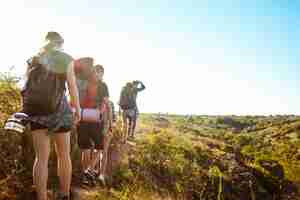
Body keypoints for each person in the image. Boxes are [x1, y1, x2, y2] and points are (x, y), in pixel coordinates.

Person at [22, 32, 81, 200]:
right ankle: (64, 195)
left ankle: (41, 197)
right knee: (64, 155)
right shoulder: (65, 58)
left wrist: (26, 111)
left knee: (40, 158)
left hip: (37, 112)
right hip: (60, 112)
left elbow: (26, 87)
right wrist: (77, 108)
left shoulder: (34, 58)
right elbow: (72, 86)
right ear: (60, 43)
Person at [76, 64, 109, 185]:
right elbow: (106, 103)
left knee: (85, 149)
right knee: (99, 147)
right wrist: (106, 118)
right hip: (95, 119)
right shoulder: (102, 85)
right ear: (99, 73)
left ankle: (85, 176)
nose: (99, 75)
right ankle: (88, 170)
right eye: (100, 73)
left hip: (82, 116)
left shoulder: (84, 83)